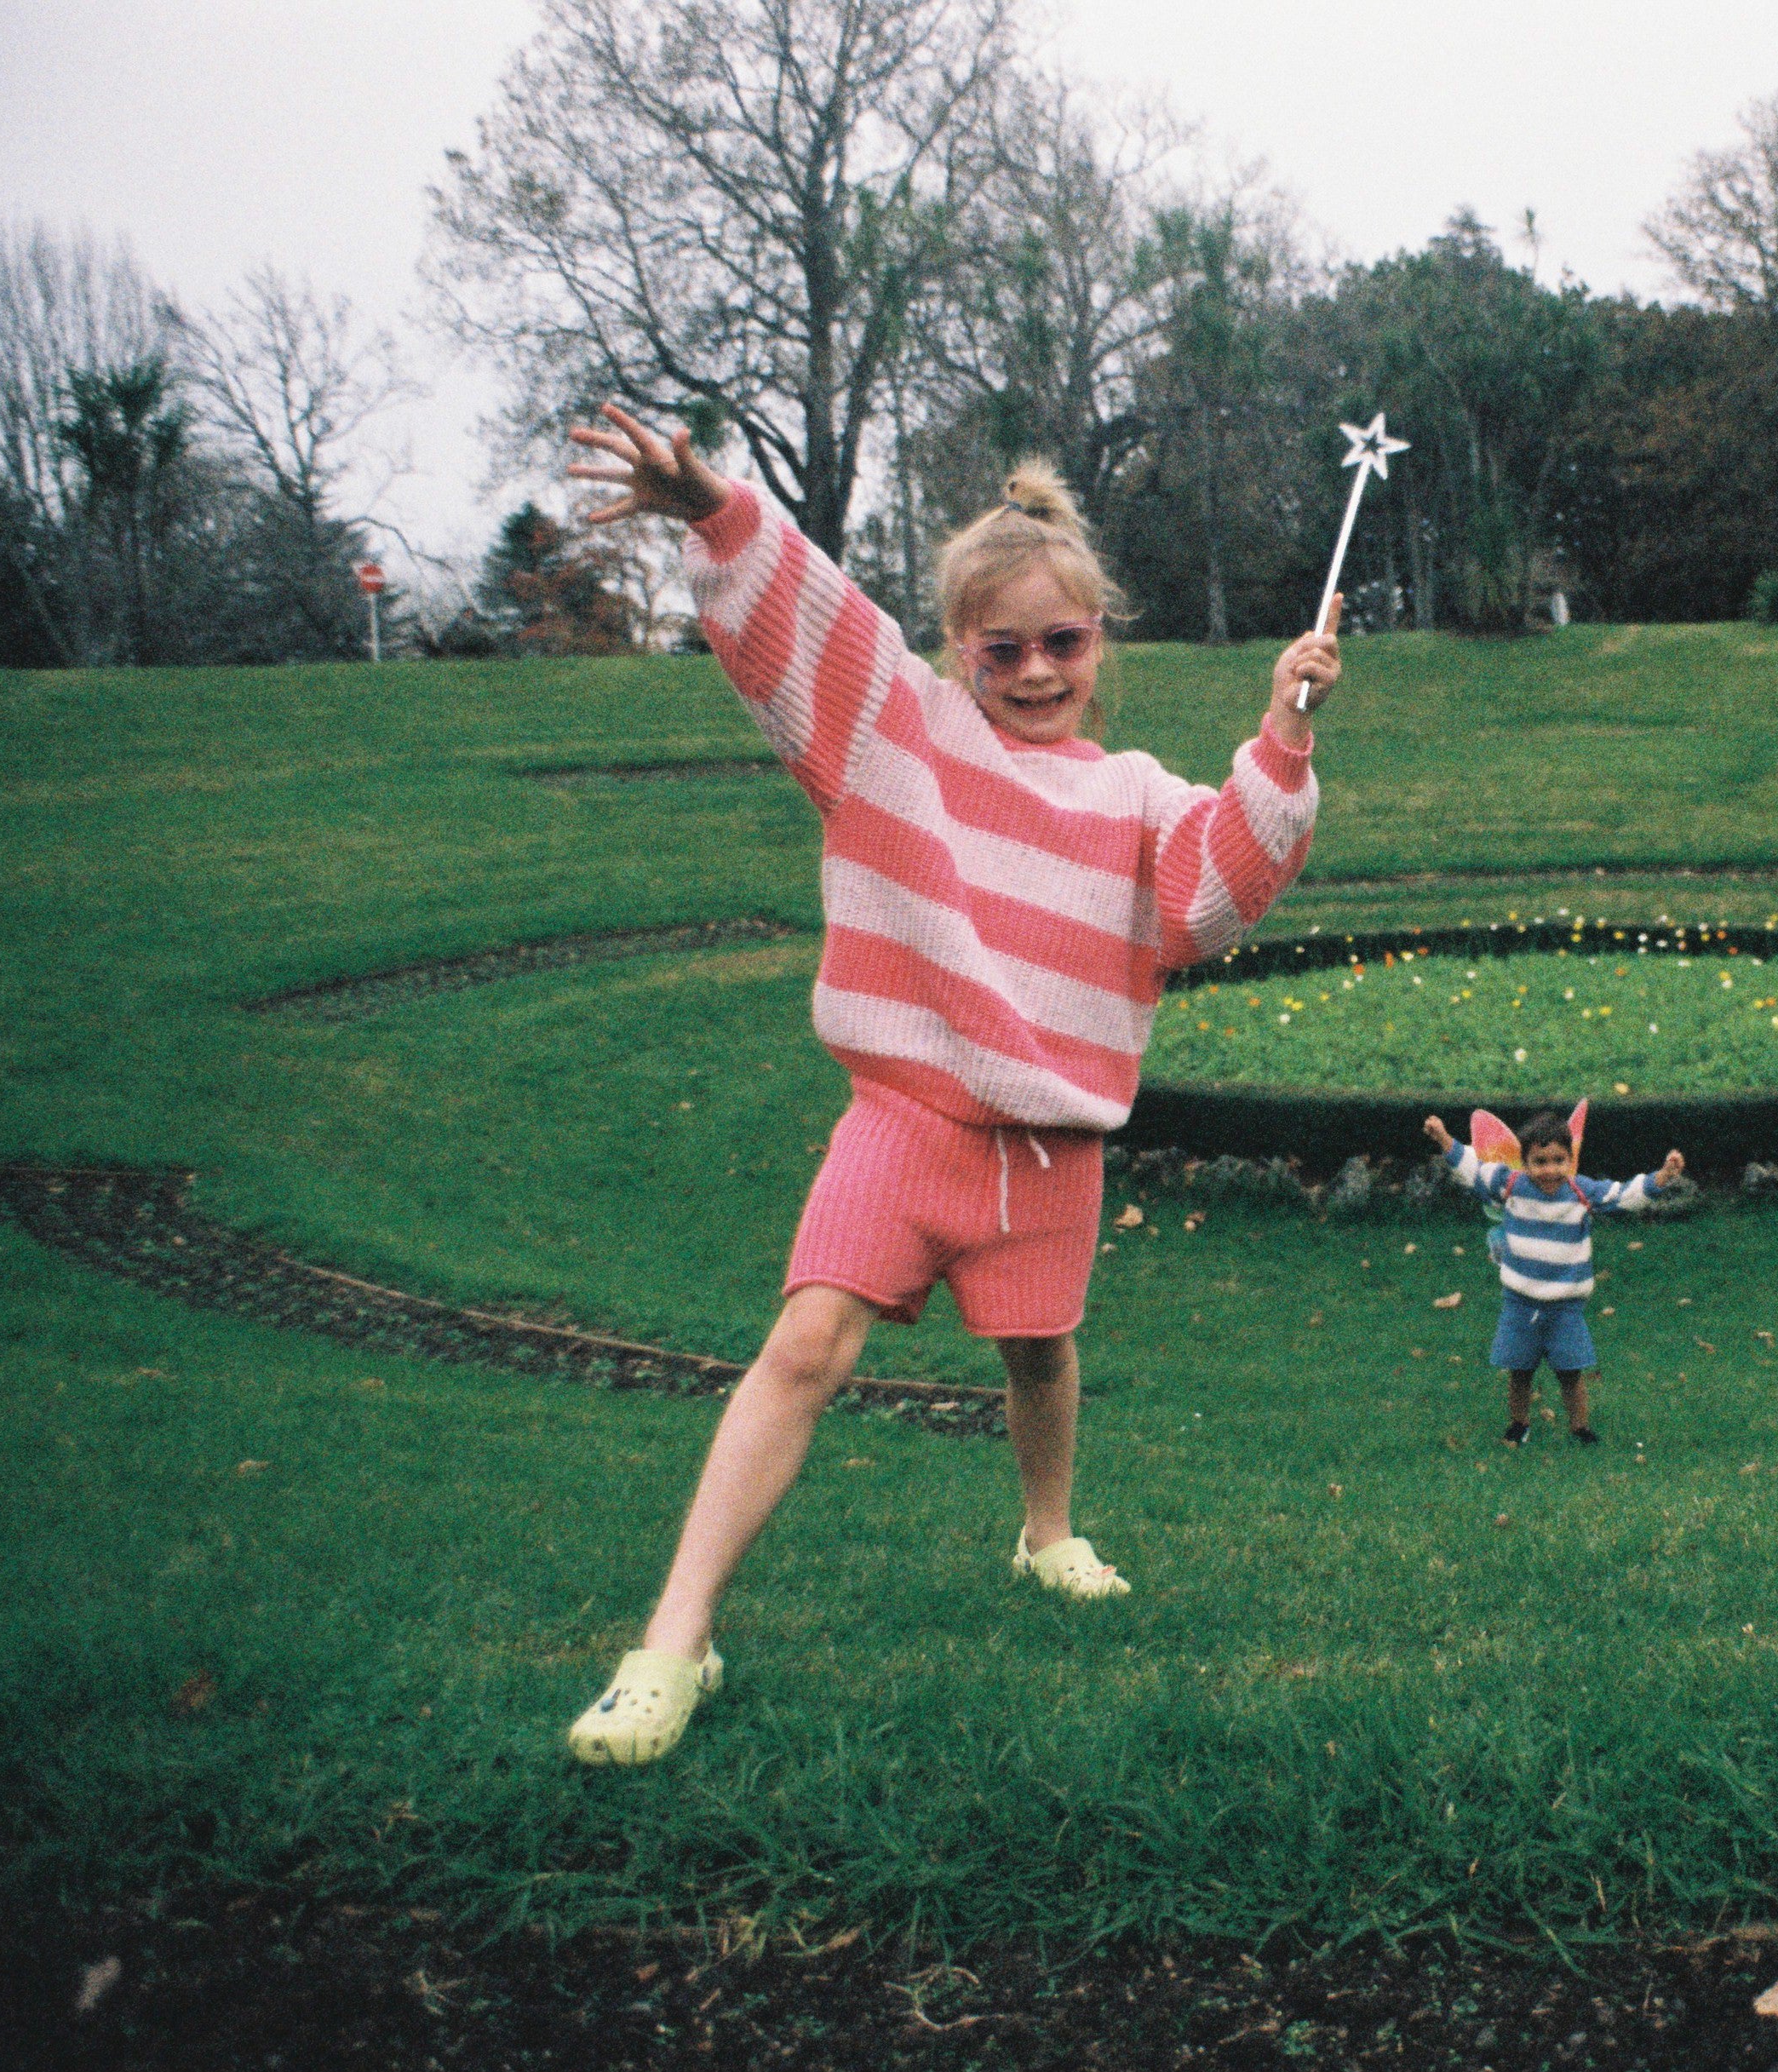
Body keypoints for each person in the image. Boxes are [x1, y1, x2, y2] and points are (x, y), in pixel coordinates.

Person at [559, 404, 1340, 1765]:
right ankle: (672, 1642)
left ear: (1102, 643)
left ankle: (1048, 1536)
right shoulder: (893, 735)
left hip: (1052, 1151)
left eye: (1065, 643)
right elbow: (807, 622)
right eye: (1003, 648)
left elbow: (1212, 900)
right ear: (956, 650)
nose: (1037, 671)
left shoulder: (1142, 796)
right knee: (805, 1346)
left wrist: (1279, 735)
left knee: (1039, 1347)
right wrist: (713, 509)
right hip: (906, 1119)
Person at [1422, 1105, 1683, 1447]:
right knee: (1520, 1371)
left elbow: (1624, 1195)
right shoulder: (1511, 1184)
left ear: (1571, 1159)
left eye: (1559, 1160)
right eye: (1540, 1162)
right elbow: (1473, 1169)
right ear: (1525, 1161)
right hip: (1520, 1302)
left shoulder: (1581, 1192)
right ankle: (1519, 1424)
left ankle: (1580, 1427)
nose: (1550, 1170)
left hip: (1565, 1307)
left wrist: (1661, 1177)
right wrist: (1444, 1138)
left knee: (1571, 1372)